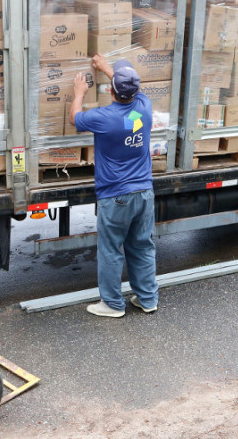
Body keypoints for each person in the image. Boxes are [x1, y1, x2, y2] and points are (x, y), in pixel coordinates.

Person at [70, 54, 158, 318]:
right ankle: (148, 299)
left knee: (110, 250)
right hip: (144, 192)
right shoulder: (144, 106)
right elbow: (131, 88)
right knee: (142, 246)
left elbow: (75, 118)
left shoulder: (103, 117)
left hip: (116, 195)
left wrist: (79, 92)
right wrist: (108, 68)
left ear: (110, 91)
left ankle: (112, 304)